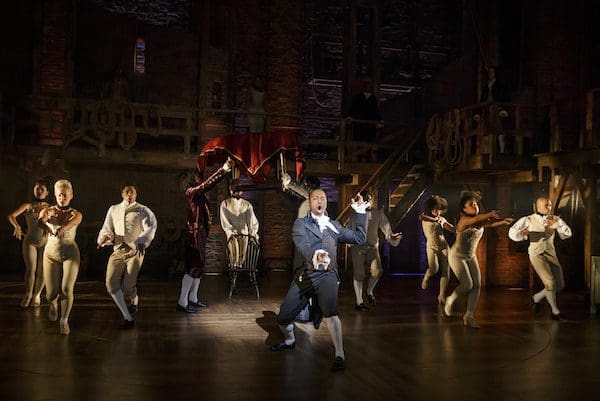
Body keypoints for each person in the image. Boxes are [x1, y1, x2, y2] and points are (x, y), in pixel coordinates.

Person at [269, 189, 368, 372]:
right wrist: (315, 254)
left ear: (326, 202)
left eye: (322, 198)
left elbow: (359, 237)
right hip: (307, 274)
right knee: (283, 317)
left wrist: (360, 212)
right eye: (315, 198)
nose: (319, 201)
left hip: (328, 275)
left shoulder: (334, 225)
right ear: (310, 202)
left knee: (331, 313)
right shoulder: (301, 224)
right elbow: (303, 245)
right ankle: (290, 340)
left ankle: (340, 355)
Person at [444, 191, 513, 328]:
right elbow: (477, 220)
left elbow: (488, 224)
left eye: (476, 204)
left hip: (471, 256)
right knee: (467, 284)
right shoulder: (464, 221)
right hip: (457, 256)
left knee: (477, 285)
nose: (475, 206)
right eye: (471, 204)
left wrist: (503, 222)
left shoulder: (479, 220)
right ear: (464, 209)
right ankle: (450, 299)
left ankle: (469, 316)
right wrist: (490, 214)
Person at [97, 184, 157, 329]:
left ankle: (134, 299)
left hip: (135, 251)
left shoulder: (143, 210)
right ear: (122, 194)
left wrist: (141, 241)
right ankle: (127, 317)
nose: (130, 194)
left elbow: (150, 226)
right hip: (118, 250)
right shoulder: (114, 209)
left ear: (136, 194)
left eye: (132, 192)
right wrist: (106, 237)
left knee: (128, 286)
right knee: (111, 284)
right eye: (127, 192)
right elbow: (107, 228)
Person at [177, 159, 233, 313]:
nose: (198, 179)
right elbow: (207, 185)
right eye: (196, 177)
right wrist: (223, 169)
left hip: (199, 233)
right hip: (194, 235)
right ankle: (182, 301)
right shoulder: (191, 192)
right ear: (190, 180)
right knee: (193, 266)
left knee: (199, 266)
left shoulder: (197, 194)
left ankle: (193, 298)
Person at [508, 196, 572, 320]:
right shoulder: (528, 220)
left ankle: (537, 297)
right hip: (536, 254)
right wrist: (521, 234)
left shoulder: (555, 219)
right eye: (546, 205)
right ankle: (555, 312)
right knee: (550, 283)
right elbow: (512, 233)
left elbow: (567, 234)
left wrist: (557, 224)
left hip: (551, 254)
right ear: (537, 207)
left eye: (550, 205)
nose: (549, 207)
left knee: (559, 285)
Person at [37, 179, 83, 335]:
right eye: (59, 195)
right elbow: (40, 222)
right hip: (51, 254)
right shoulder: (48, 211)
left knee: (67, 288)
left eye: (65, 195)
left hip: (70, 253)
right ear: (55, 196)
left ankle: (64, 320)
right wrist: (46, 223)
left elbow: (72, 223)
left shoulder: (76, 214)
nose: (62, 198)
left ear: (71, 196)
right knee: (51, 293)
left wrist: (63, 228)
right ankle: (53, 304)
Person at [348, 190, 402, 311]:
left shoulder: (377, 214)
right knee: (359, 274)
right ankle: (359, 302)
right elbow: (350, 230)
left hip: (372, 246)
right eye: (365, 199)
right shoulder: (355, 214)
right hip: (358, 246)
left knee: (377, 271)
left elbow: (386, 227)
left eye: (369, 199)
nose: (368, 201)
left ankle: (369, 292)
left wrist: (392, 236)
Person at [7, 179, 50, 307]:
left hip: (45, 242)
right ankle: (28, 294)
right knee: (31, 268)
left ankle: (37, 295)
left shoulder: (50, 208)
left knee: (42, 269)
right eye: (37, 188)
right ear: (33, 190)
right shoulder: (28, 206)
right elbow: (11, 216)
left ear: (47, 192)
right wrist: (17, 226)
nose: (39, 191)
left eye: (42, 188)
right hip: (30, 241)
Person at [419, 195, 455, 304]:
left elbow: (450, 228)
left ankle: (442, 295)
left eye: (439, 209)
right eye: (435, 209)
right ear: (430, 208)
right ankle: (426, 277)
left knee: (446, 270)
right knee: (434, 269)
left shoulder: (441, 219)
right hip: (431, 246)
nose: (438, 212)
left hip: (443, 245)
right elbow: (421, 217)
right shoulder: (425, 217)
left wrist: (458, 228)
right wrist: (435, 219)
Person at [220, 180, 260, 267]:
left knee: (242, 256)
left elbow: (251, 220)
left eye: (239, 188)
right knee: (234, 256)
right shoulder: (225, 203)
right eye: (234, 188)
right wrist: (230, 232)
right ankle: (234, 268)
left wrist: (253, 234)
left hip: (244, 233)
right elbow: (225, 219)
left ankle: (240, 267)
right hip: (233, 234)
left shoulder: (247, 204)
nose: (237, 191)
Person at [348, 76, 383, 162]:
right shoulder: (358, 97)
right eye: (366, 84)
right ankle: (360, 158)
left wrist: (379, 120)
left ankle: (366, 158)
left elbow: (375, 111)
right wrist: (350, 117)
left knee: (368, 143)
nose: (367, 86)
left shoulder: (372, 99)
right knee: (360, 142)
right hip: (360, 125)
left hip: (369, 126)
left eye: (369, 84)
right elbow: (353, 109)